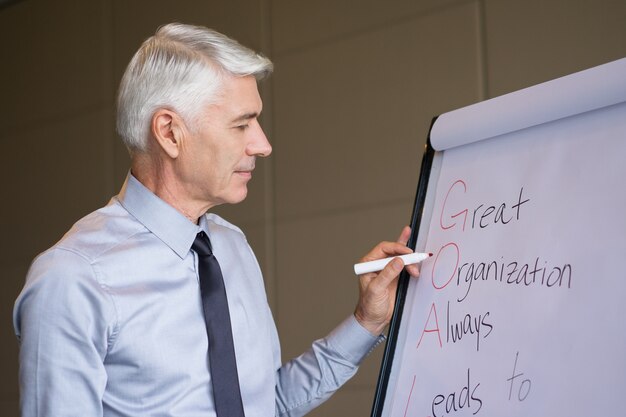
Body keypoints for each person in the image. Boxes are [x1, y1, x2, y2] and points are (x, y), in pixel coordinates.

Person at [13, 22, 419, 417]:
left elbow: (266, 404)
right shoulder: (72, 278)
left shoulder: (230, 245)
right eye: (242, 124)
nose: (263, 145)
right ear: (170, 133)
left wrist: (367, 321)